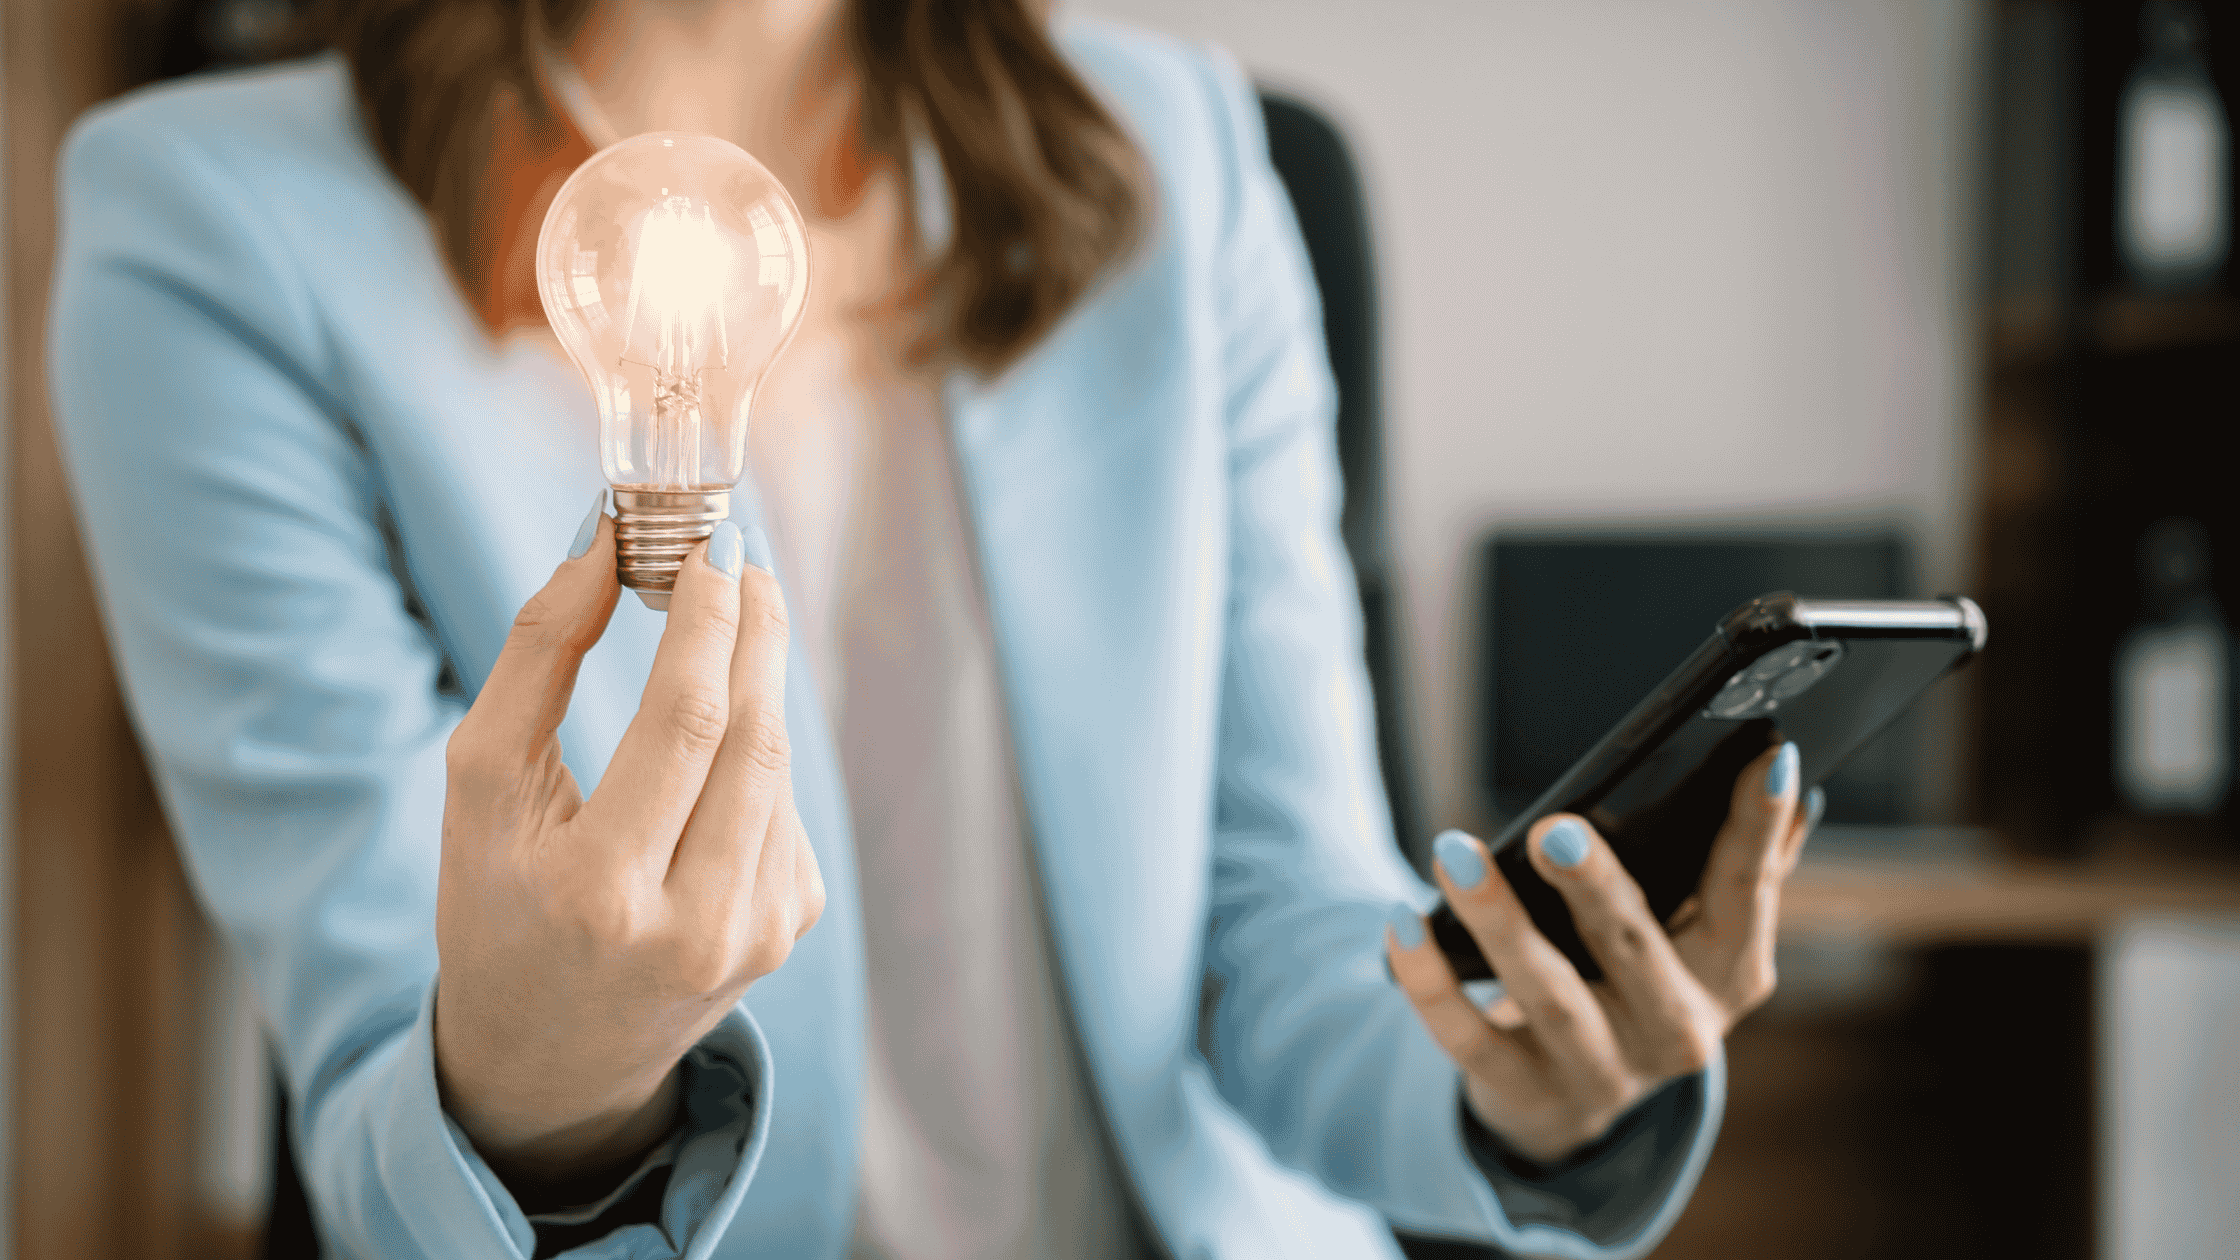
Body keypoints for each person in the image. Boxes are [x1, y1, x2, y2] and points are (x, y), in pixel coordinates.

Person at [48, 1, 1820, 1257]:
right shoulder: (210, 223)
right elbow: (385, 1109)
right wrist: (544, 1089)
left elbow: (1279, 926)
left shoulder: (1179, 161)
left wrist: (1520, 1087)